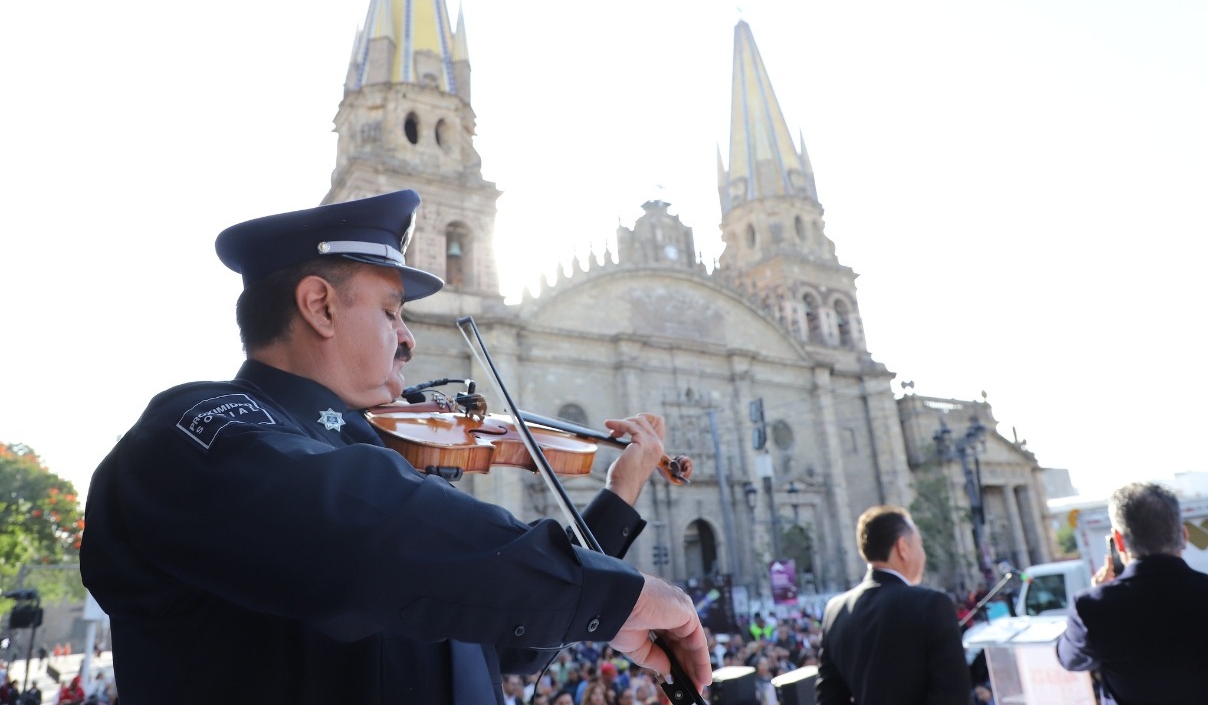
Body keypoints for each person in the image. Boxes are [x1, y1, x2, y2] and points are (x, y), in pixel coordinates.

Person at [81, 190, 711, 704]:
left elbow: (507, 629)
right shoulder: (197, 430)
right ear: (320, 307)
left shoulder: (388, 465)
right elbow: (373, 532)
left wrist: (619, 495)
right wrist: (609, 592)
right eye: (390, 312)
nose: (407, 340)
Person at [1055, 481, 1208, 704]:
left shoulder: (1092, 607)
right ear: (1184, 535)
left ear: (1119, 541)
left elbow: (1070, 659)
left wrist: (1100, 593)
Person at [815, 505, 971, 705]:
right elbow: (953, 695)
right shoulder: (931, 604)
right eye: (920, 545)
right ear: (902, 547)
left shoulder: (835, 610)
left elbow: (829, 698)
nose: (923, 554)